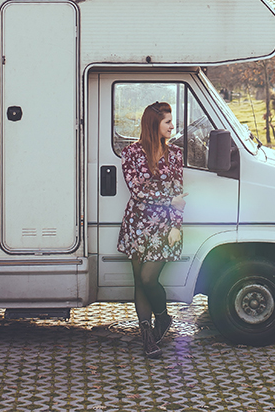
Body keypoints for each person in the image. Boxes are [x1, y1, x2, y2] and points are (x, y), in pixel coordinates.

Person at [117, 101, 187, 358]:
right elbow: (137, 189)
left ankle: (163, 317)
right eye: (167, 122)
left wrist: (176, 225)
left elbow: (179, 193)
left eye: (171, 121)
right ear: (153, 124)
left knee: (148, 279)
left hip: (165, 226)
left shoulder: (176, 154)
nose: (172, 126)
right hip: (137, 224)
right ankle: (147, 336)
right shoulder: (131, 153)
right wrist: (168, 200)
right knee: (139, 280)